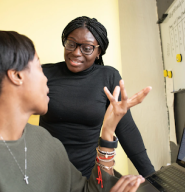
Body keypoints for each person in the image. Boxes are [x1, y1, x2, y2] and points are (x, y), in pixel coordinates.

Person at [0, 30, 151, 191]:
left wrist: (108, 130)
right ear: (17, 76)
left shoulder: (44, 140)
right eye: (39, 68)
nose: (47, 80)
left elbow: (88, 190)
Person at [40, 16, 155, 178]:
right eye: (71, 44)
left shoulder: (108, 76)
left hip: (87, 175)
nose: (75, 52)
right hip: (45, 174)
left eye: (86, 48)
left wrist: (151, 176)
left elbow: (126, 128)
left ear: (98, 52)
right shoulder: (45, 73)